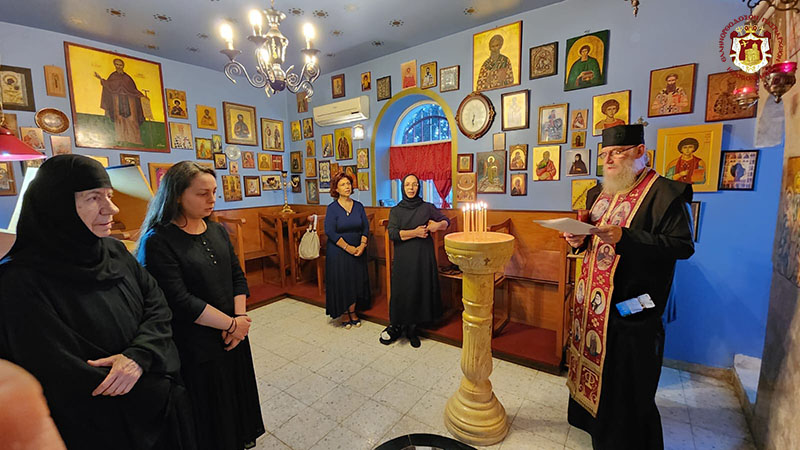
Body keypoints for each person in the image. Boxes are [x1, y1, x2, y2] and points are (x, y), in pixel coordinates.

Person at [0, 155, 195, 449]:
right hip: (98, 422)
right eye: (94, 198)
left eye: (109, 196)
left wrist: (140, 357)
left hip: (155, 393)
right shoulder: (17, 281)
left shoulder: (114, 251)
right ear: (57, 204)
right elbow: (52, 364)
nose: (112, 209)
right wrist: (137, 383)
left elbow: (156, 304)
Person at [562, 124, 694, 450]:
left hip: (636, 301)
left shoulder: (667, 193)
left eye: (617, 152)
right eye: (605, 154)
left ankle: (624, 439)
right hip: (595, 301)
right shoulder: (598, 194)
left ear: (639, 152)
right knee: (596, 363)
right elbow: (592, 242)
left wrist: (627, 237)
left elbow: (682, 246)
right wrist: (578, 240)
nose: (609, 160)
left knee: (627, 373)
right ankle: (592, 423)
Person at [137, 162, 264, 450]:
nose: (212, 200)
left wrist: (240, 319)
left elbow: (236, 275)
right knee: (209, 412)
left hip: (233, 335)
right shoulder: (158, 240)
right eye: (202, 193)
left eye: (214, 192)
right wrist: (231, 324)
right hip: (196, 342)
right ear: (177, 195)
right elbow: (180, 300)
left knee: (234, 399)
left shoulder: (217, 230)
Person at [380, 174, 450, 348]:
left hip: (423, 256)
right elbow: (393, 234)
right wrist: (415, 233)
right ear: (403, 187)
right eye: (407, 185)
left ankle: (413, 328)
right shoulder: (396, 210)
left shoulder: (427, 207)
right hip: (404, 256)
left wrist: (437, 226)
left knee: (419, 288)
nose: (411, 188)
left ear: (418, 187)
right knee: (403, 289)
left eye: (414, 185)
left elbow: (445, 221)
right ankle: (398, 325)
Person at [324, 172, 371, 327]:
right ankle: (344, 313)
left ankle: (352, 311)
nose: (347, 187)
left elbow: (365, 227)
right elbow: (330, 231)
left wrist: (362, 246)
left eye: (348, 184)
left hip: (358, 250)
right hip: (339, 251)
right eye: (343, 184)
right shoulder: (332, 208)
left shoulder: (358, 206)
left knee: (355, 281)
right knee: (342, 282)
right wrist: (349, 248)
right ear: (336, 189)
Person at [94, 58, 145, 145]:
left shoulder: (128, 78)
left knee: (132, 119)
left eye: (120, 65)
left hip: (130, 101)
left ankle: (134, 139)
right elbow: (109, 85)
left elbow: (133, 89)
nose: (119, 67)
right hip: (117, 100)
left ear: (123, 66)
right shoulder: (113, 76)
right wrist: (102, 80)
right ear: (115, 65)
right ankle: (121, 138)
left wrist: (139, 95)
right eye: (117, 65)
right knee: (119, 119)